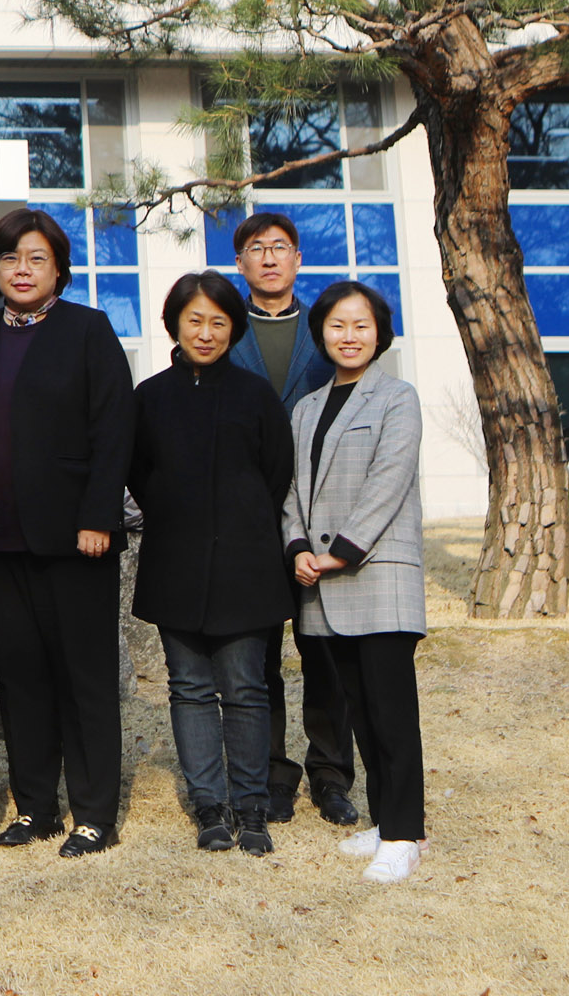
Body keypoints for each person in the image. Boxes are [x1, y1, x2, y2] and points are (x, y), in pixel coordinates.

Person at [0, 207, 134, 857]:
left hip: (75, 539)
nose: (23, 269)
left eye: (36, 258)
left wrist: (98, 515)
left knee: (83, 676)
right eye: (10, 258)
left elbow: (113, 428)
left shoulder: (88, 331)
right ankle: (36, 808)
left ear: (58, 267)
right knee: (22, 677)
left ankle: (94, 814)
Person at [130, 270, 295, 859]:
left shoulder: (256, 396)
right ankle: (209, 805)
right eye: (194, 320)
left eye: (219, 322)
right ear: (175, 323)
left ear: (234, 328)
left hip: (248, 564)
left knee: (246, 687)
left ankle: (251, 806)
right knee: (190, 688)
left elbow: (277, 474)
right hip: (175, 558)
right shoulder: (148, 398)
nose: (205, 332)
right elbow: (140, 474)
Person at [285, 281, 430, 886]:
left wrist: (340, 552)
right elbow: (293, 489)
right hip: (320, 580)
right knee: (359, 713)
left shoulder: (398, 397)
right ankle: (385, 818)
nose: (349, 336)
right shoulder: (306, 407)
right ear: (322, 333)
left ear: (380, 334)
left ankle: (404, 835)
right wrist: (297, 546)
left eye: (361, 326)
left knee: (391, 713)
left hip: (377, 574)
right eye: (338, 326)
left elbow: (389, 482)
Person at [221, 210, 354, 825]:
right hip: (250, 519)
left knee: (326, 654)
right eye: (256, 248)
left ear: (297, 259)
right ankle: (271, 773)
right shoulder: (222, 328)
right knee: (260, 659)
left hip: (322, 513)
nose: (269, 257)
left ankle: (332, 773)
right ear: (240, 262)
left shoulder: (327, 327)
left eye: (280, 247)